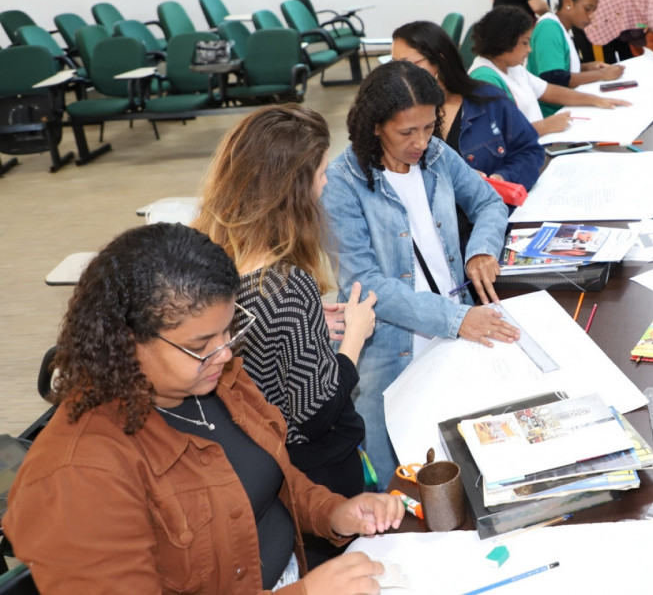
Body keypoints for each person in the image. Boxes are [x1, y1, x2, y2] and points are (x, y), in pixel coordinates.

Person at [1, 223, 404, 595]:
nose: (225, 352)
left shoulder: (213, 376)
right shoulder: (79, 476)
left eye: (230, 329)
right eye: (199, 346)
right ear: (126, 341)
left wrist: (332, 512)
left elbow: (273, 474)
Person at [193, 105, 378, 563]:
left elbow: (265, 354)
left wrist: (310, 320)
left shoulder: (211, 258)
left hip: (259, 468)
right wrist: (353, 337)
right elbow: (316, 412)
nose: (326, 183)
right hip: (315, 475)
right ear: (294, 190)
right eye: (320, 172)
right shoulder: (286, 283)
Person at [322, 61, 519, 480]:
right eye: (406, 132)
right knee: (400, 481)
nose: (420, 142)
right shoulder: (342, 183)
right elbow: (365, 283)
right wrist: (455, 317)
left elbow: (488, 203)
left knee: (463, 465)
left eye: (429, 127)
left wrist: (480, 250)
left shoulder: (437, 155)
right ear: (375, 125)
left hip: (456, 335)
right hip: (390, 353)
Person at [391, 20, 544, 191]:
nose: (399, 74)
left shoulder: (489, 100)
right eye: (394, 65)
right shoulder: (396, 114)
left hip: (491, 210)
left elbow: (529, 151)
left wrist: (500, 178)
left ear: (440, 60)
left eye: (408, 65)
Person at [469, 5, 630, 137]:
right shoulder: (485, 78)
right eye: (525, 43)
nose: (530, 49)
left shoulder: (512, 67)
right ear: (505, 42)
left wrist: (595, 100)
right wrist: (545, 126)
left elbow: (549, 91)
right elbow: (498, 135)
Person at [527, 0, 626, 89]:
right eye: (587, 9)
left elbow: (560, 68)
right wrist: (602, 74)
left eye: (594, 10)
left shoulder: (559, 28)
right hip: (554, 107)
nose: (591, 16)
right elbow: (554, 78)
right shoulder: (549, 29)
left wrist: (585, 68)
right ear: (568, 2)